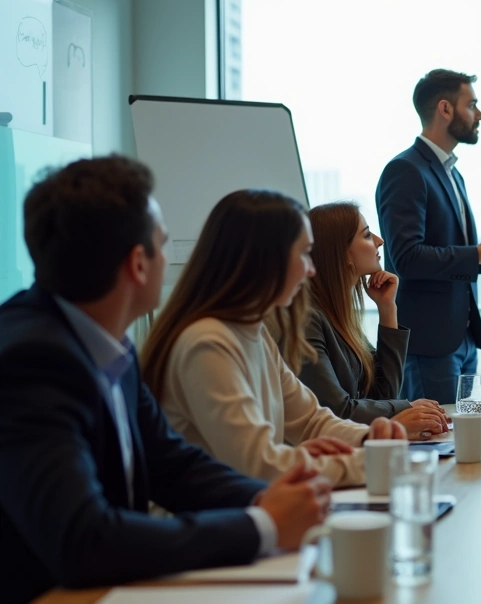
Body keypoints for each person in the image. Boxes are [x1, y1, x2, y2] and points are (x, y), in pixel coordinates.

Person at [0, 157, 330, 603]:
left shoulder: (105, 341)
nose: (169, 257)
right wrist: (263, 525)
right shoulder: (32, 361)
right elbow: (84, 540)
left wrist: (269, 499)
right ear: (139, 264)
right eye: (162, 242)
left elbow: (171, 464)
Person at [142, 190, 407, 489]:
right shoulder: (207, 342)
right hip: (211, 513)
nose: (311, 269)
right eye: (303, 254)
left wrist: (371, 437)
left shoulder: (253, 332)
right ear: (266, 261)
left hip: (246, 505)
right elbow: (258, 463)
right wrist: (369, 462)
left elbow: (311, 420)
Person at [376, 69, 481, 404]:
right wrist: (478, 254)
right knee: (438, 435)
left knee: (464, 433)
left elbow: (449, 253)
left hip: (463, 339)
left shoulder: (452, 174)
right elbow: (407, 258)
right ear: (445, 109)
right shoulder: (406, 170)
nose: (480, 114)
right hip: (429, 344)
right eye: (471, 105)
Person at [280, 202, 448, 437]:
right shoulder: (307, 319)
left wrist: (387, 309)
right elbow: (335, 411)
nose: (380, 241)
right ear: (342, 252)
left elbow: (383, 395)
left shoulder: (338, 314)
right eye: (367, 235)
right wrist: (405, 408)